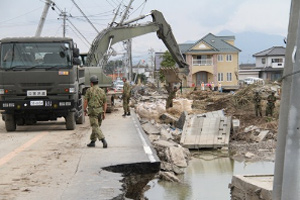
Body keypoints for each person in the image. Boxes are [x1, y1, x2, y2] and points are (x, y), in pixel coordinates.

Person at [84, 75, 108, 148]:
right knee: (96, 126)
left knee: (95, 126)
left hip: (93, 110)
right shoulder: (102, 91)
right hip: (100, 111)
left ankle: (103, 140)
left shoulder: (89, 90)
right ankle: (93, 141)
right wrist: (104, 112)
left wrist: (84, 109)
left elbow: (85, 101)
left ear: (91, 83)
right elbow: (105, 103)